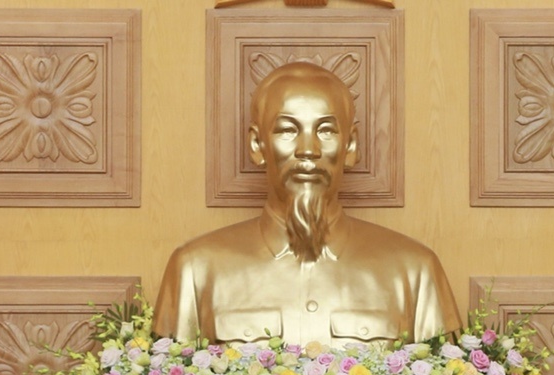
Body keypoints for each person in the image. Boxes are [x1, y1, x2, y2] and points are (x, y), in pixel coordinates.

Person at [154, 61, 462, 347]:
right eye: (287, 130)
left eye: (326, 130)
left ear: (350, 145)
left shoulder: (415, 272)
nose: (308, 150)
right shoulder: (195, 270)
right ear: (257, 144)